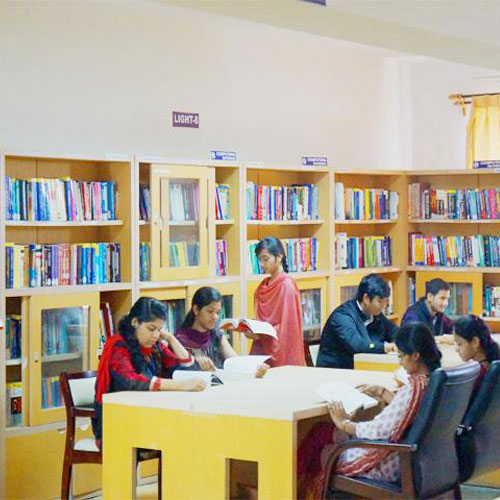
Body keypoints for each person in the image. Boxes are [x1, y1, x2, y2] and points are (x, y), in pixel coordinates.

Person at [298, 322, 441, 499]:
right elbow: (410, 413)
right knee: (322, 432)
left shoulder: (413, 388)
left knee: (319, 449)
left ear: (415, 356)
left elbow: (379, 430)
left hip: (387, 460)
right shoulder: (430, 382)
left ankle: (292, 490)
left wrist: (344, 423)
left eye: (401, 356)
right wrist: (383, 392)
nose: (400, 362)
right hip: (412, 459)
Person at [92, 297, 206, 449]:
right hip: (116, 422)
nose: (155, 335)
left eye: (159, 330)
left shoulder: (154, 346)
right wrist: (181, 385)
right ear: (135, 322)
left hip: (144, 416)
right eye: (151, 329)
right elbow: (133, 381)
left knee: (187, 434)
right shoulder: (117, 346)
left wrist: (171, 338)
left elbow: (187, 370)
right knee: (179, 438)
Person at [175, 286, 268, 377]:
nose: (215, 317)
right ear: (196, 309)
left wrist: (254, 368)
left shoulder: (216, 334)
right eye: (210, 311)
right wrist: (195, 362)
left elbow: (235, 361)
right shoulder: (179, 340)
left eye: (218, 312)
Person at [316, 274, 397, 369]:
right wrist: (386, 347)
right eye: (380, 301)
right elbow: (357, 345)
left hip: (362, 368)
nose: (384, 306)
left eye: (386, 301)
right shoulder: (342, 316)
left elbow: (393, 331)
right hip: (336, 371)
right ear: (366, 299)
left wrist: (402, 341)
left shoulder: (374, 313)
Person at [247, 236, 305, 367]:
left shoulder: (287, 285)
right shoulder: (262, 286)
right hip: (261, 349)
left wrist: (261, 334)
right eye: (259, 260)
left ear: (279, 257)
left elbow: (288, 328)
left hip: (280, 352)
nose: (262, 264)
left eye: (265, 259)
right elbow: (263, 320)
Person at [454, 314, 500, 396]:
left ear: (475, 342)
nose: (456, 349)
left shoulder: (474, 376)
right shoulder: (491, 366)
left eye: (460, 344)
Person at [401, 278, 453, 343]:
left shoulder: (438, 314)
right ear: (430, 297)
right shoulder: (413, 316)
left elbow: (453, 328)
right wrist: (441, 339)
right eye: (442, 298)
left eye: (447, 299)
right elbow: (412, 341)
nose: (446, 303)